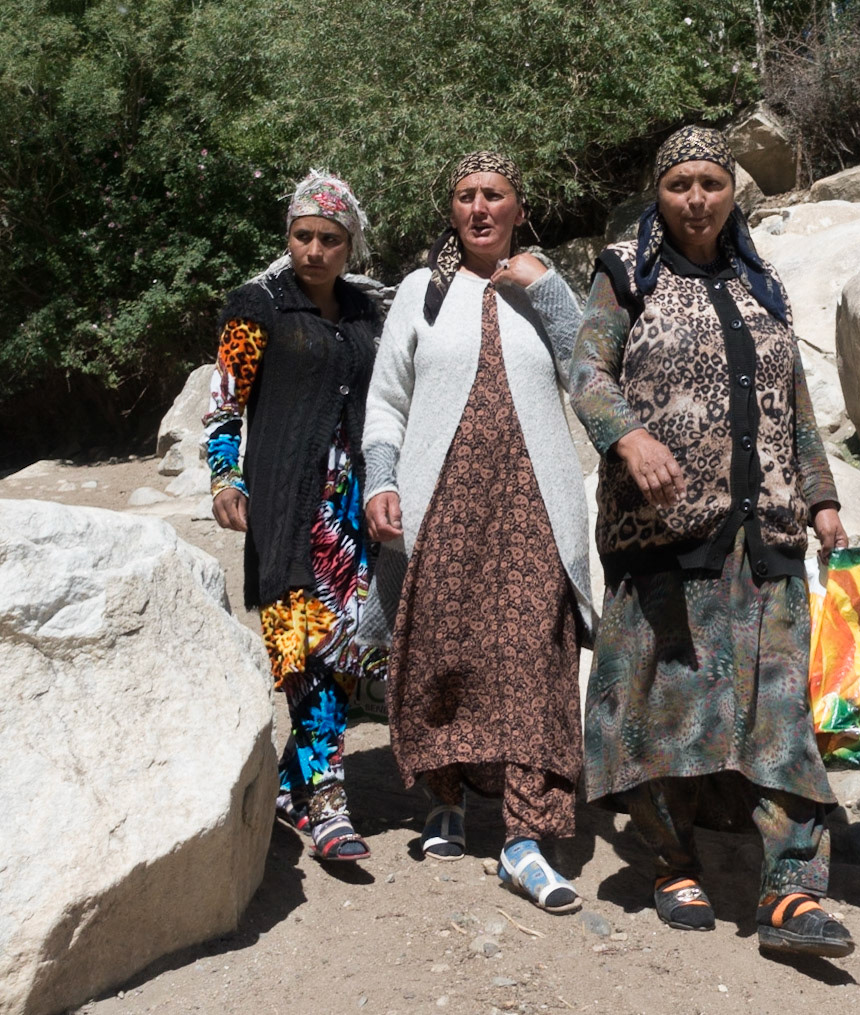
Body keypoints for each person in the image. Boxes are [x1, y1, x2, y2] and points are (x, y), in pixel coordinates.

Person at [569, 126, 855, 958]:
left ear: (733, 190)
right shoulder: (626, 271)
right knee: (657, 701)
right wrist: (628, 438)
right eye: (678, 184)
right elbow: (587, 371)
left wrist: (821, 496)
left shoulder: (761, 282)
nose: (696, 198)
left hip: (764, 535)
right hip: (659, 534)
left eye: (711, 182)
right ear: (656, 194)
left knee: (781, 712)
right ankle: (668, 860)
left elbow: (793, 403)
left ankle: (791, 890)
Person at [360, 151, 593, 914]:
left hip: (532, 498)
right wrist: (383, 478)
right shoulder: (420, 294)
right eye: (465, 197)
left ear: (518, 208)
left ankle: (524, 838)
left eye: (494, 195)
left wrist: (549, 288)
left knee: (534, 652)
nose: (479, 208)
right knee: (444, 646)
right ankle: (446, 801)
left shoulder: (538, 285)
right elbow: (387, 399)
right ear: (451, 211)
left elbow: (592, 368)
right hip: (446, 499)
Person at [204, 170, 386, 863]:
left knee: (340, 654)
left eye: (329, 239)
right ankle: (329, 801)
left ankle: (291, 785)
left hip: (354, 514)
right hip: (283, 508)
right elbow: (224, 402)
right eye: (303, 235)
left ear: (350, 246)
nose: (314, 249)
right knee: (297, 648)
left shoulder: (368, 313)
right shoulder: (256, 306)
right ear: (288, 237)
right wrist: (225, 476)